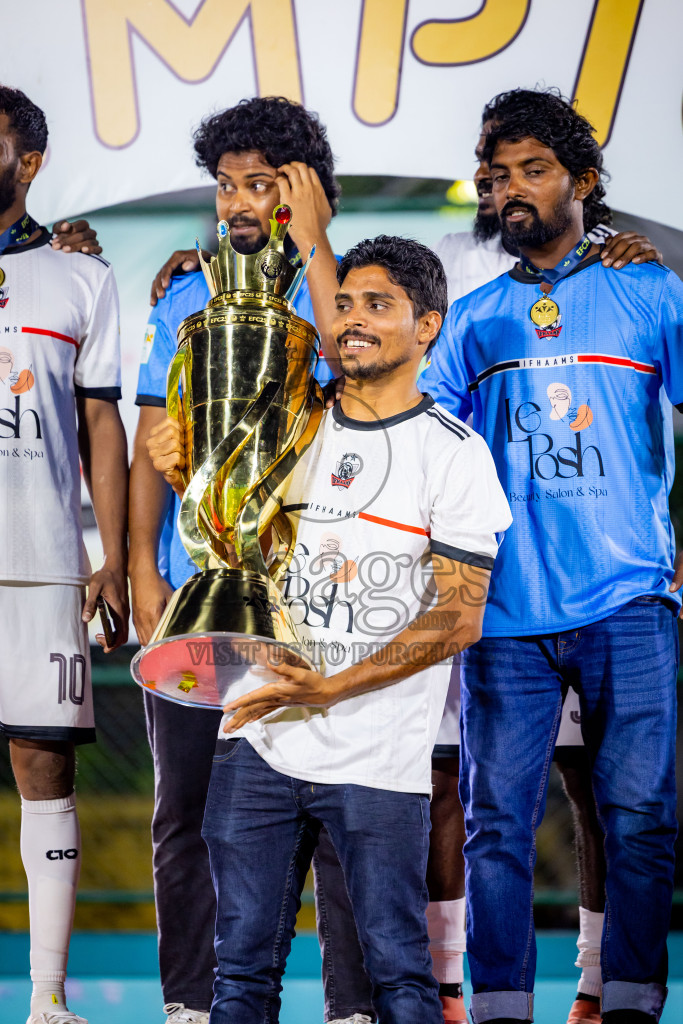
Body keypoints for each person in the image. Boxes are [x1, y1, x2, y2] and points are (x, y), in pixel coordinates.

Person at [148, 233, 512, 1024]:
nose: (351, 319)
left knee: (397, 978)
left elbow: (457, 616)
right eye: (343, 302)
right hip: (259, 742)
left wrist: (331, 685)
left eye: (377, 305)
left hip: (377, 761)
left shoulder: (454, 456)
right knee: (239, 978)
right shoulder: (281, 428)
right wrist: (185, 463)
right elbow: (229, 538)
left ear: (426, 327)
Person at [422, 87, 682, 1024]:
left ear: (584, 181)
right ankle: (497, 1007)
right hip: (503, 611)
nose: (511, 192)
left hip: (630, 598)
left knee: (641, 820)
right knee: (496, 829)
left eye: (533, 171)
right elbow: (427, 446)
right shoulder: (473, 316)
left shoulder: (650, 288)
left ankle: (629, 1003)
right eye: (496, 178)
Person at [129, 95, 374, 1024]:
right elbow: (155, 433)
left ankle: (350, 1006)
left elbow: (353, 364)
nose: (236, 201)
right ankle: (191, 1005)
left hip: (310, 597)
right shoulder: (184, 293)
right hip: (196, 593)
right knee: (183, 812)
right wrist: (145, 573)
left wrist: (315, 243)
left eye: (261, 185)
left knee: (332, 812)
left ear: (302, 190)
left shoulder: (346, 288)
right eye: (226, 184)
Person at [0, 85, 129, 1024]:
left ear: (29, 161)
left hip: (38, 563)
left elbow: (102, 424)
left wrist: (113, 554)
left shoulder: (80, 275)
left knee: (46, 770)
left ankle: (47, 997)